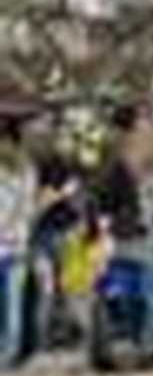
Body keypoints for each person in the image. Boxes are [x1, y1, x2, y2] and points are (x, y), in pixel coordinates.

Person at [90, 102, 153, 366]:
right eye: (144, 123)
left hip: (129, 233)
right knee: (151, 292)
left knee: (136, 292)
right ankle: (148, 348)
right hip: (135, 234)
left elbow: (102, 198)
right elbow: (106, 197)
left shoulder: (120, 155)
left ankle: (144, 345)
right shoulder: (125, 157)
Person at [28, 149, 82, 353]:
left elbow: (75, 203)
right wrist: (61, 194)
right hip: (50, 236)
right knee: (52, 290)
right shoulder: (40, 171)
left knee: (58, 289)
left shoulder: (52, 167)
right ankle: (46, 340)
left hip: (57, 235)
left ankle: (56, 337)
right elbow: (39, 205)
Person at [0, 115, 39, 368]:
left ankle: (9, 352)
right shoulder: (29, 171)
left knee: (10, 302)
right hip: (18, 242)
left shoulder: (15, 173)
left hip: (9, 244)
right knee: (11, 301)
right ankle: (11, 350)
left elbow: (10, 211)